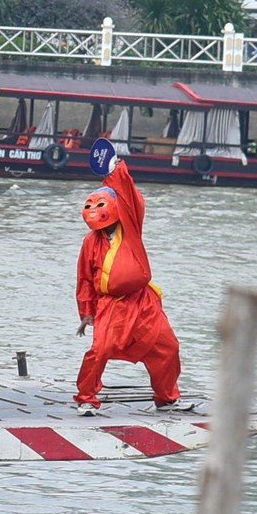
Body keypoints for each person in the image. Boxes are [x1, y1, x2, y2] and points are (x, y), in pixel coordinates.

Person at [74, 156, 185, 415]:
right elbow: (85, 280)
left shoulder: (130, 227)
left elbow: (130, 197)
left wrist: (115, 169)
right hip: (111, 306)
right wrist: (86, 312)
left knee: (168, 347)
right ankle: (86, 398)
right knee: (99, 350)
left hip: (143, 301)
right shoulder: (90, 242)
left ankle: (167, 398)